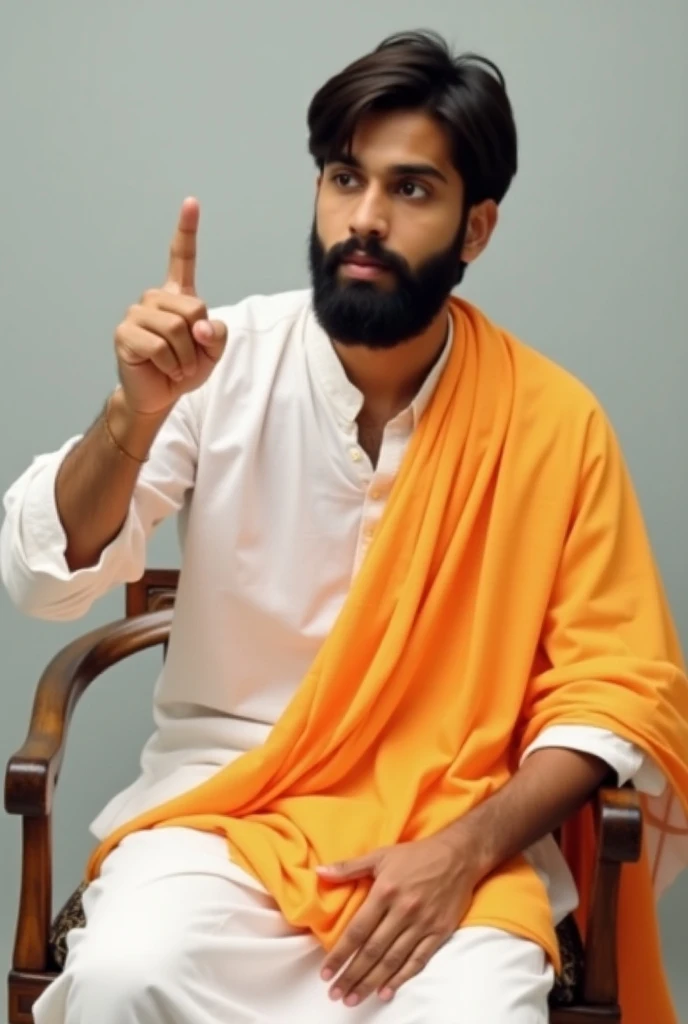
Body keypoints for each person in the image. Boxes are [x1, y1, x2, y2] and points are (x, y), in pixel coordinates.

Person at [2, 29, 687, 1024]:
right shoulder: (218, 362)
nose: (362, 219)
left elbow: (615, 689)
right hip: (224, 813)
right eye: (342, 178)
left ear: (476, 226)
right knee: (125, 974)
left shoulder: (551, 420)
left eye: (410, 189)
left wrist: (463, 850)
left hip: (452, 829)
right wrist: (130, 419)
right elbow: (41, 576)